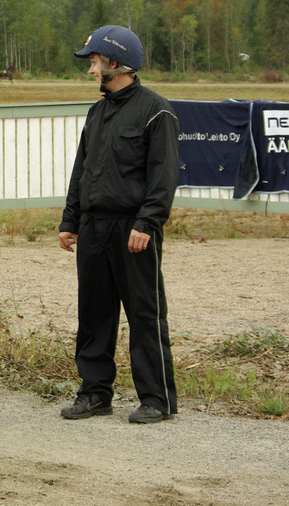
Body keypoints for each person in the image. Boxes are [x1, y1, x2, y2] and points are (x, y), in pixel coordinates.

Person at [58, 25, 180, 424]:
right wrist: (70, 220)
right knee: (94, 314)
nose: (91, 69)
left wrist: (147, 223)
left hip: (134, 230)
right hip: (93, 228)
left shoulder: (156, 110)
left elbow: (163, 176)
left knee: (145, 314)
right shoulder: (97, 113)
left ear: (115, 62)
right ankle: (95, 393)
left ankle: (156, 399)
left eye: (94, 61)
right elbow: (82, 171)